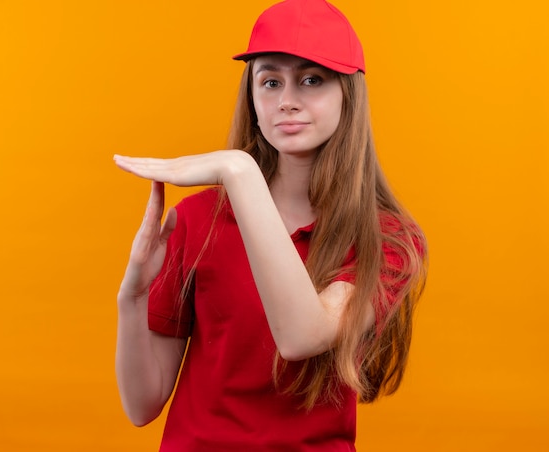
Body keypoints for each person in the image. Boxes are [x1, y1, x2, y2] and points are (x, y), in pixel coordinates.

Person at [113, 0, 427, 450]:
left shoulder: (388, 240)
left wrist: (239, 172)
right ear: (252, 98)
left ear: (348, 94)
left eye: (312, 80)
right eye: (271, 81)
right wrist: (133, 295)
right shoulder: (197, 220)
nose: (287, 101)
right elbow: (142, 406)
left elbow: (303, 337)